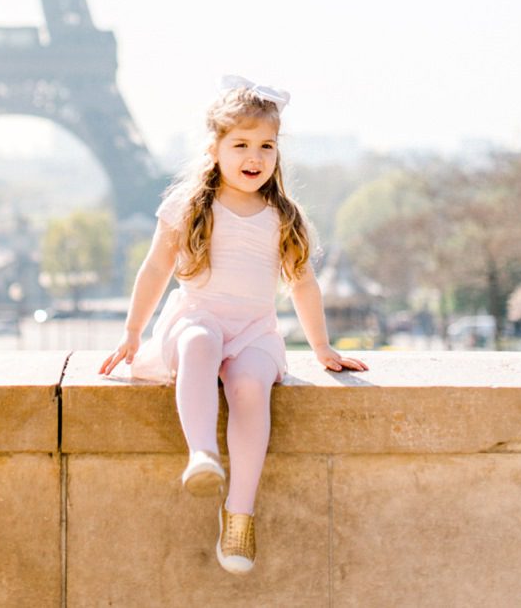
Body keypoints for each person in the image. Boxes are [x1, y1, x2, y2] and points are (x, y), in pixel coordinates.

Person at [99, 77, 369, 576]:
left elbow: (303, 285)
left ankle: (239, 514)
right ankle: (202, 454)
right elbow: (156, 270)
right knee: (200, 342)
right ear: (215, 149)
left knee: (249, 385)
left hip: (254, 331)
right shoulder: (188, 206)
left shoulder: (284, 217)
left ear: (277, 153)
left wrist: (323, 347)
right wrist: (133, 332)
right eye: (241, 144)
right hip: (197, 318)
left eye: (266, 145)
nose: (255, 156)